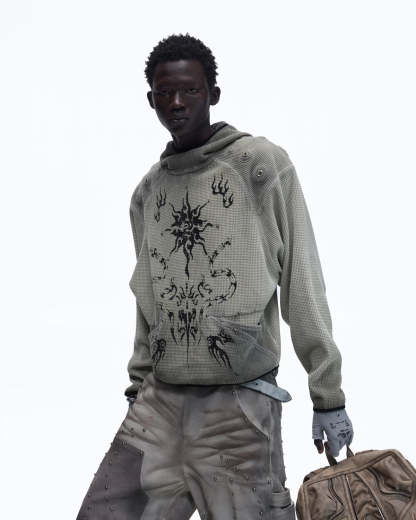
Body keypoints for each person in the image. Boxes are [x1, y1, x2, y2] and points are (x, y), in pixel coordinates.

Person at [76, 32, 354, 520]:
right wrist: (138, 389)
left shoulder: (260, 166)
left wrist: (327, 396)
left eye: (190, 90)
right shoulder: (147, 193)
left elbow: (302, 280)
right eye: (165, 93)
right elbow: (149, 299)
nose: (177, 103)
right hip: (158, 404)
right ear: (151, 100)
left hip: (238, 407)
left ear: (213, 94)